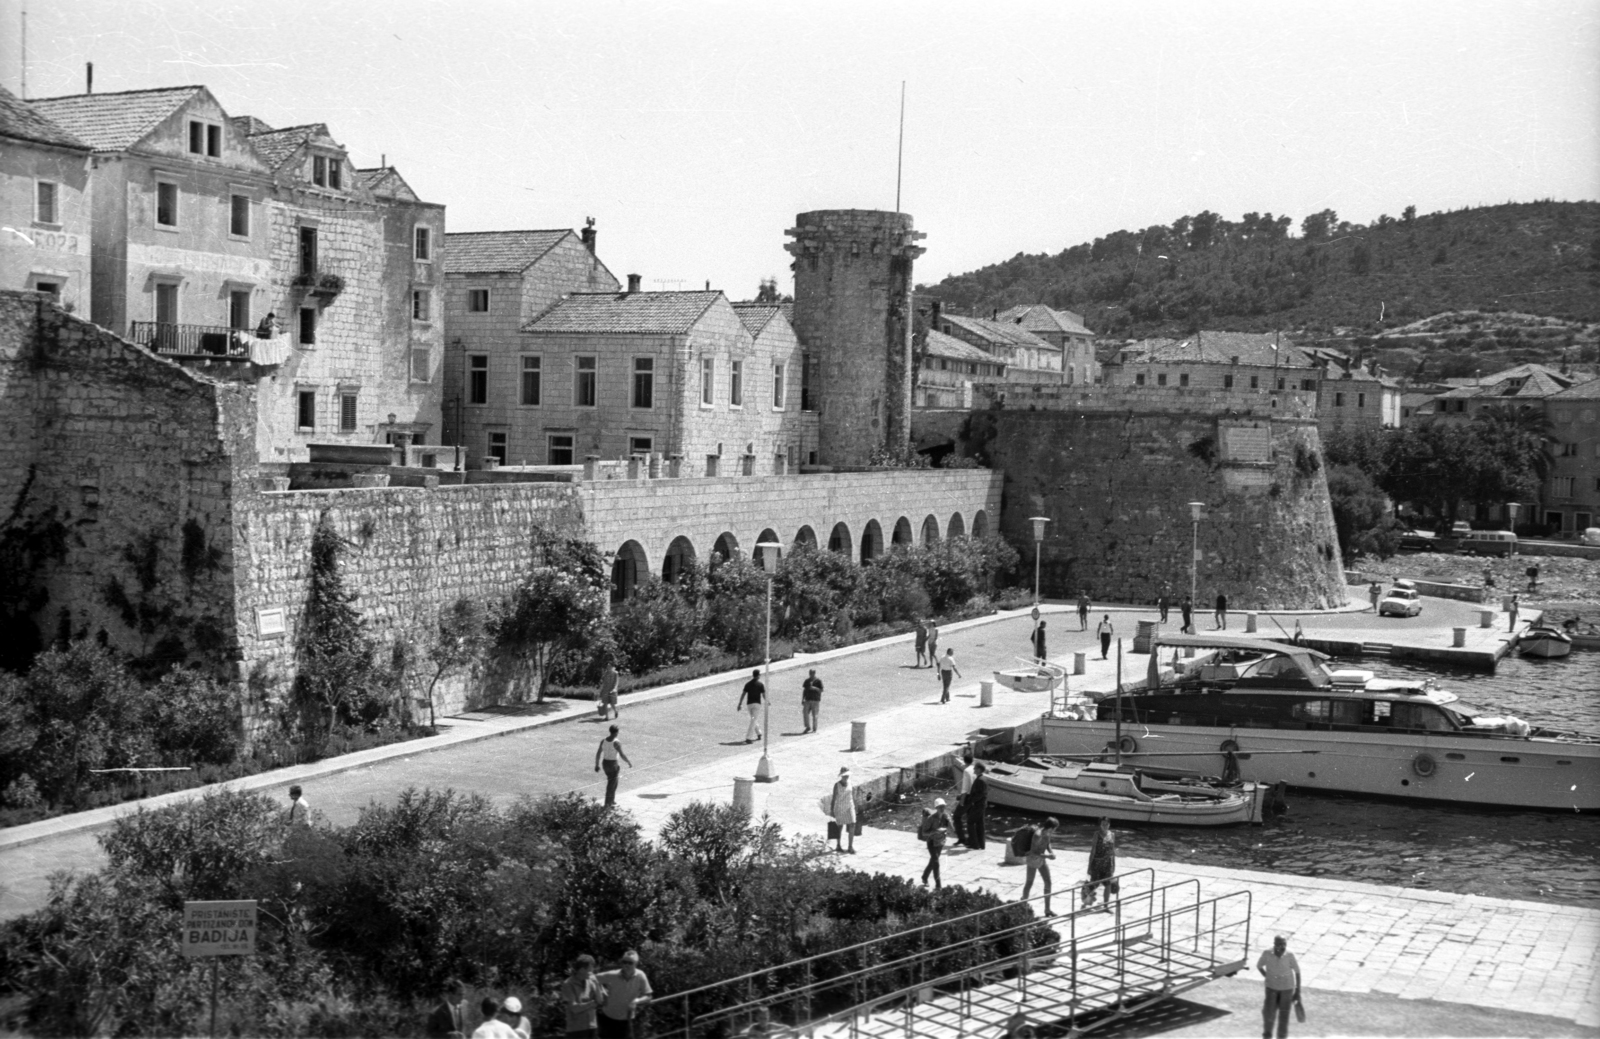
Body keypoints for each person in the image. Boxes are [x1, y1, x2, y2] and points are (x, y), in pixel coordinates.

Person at [595, 951, 652, 1039]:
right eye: (624, 962)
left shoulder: (640, 976)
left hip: (626, 1020)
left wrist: (636, 1001)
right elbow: (593, 979)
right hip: (607, 1018)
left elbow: (648, 996)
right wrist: (601, 994)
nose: (626, 965)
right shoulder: (612, 975)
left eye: (630, 963)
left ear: (636, 964)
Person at [1256, 935, 1302, 1039]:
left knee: (1284, 1017)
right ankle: (1267, 1036)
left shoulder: (1290, 954)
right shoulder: (1267, 953)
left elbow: (1297, 972)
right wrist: (1267, 977)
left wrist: (1297, 992)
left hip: (1287, 990)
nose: (1282, 947)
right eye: (1280, 944)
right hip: (1271, 989)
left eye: (1284, 944)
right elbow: (1259, 966)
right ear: (1274, 944)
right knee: (1268, 1015)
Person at [1019, 816, 1059, 916]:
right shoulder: (1038, 835)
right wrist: (1048, 856)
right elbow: (1033, 852)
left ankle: (1047, 909)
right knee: (1029, 883)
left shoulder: (1047, 833)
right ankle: (1023, 906)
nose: (1054, 831)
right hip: (1033, 860)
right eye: (1054, 829)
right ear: (1050, 828)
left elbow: (1047, 843)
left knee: (1048, 882)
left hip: (1041, 860)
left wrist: (1051, 852)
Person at [560, 954, 607, 1038]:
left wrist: (596, 984)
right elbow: (574, 1008)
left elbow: (600, 1001)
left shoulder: (592, 981)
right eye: (590, 969)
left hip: (592, 1027)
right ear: (582, 970)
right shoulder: (568, 984)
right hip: (576, 1030)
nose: (592, 972)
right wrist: (592, 1004)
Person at [594, 724, 634, 808]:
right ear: (616, 733)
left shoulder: (603, 741)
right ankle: (607, 804)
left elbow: (598, 753)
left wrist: (597, 764)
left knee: (614, 782)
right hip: (613, 764)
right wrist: (628, 762)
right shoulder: (616, 742)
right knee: (611, 784)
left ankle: (612, 800)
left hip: (605, 763)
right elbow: (622, 755)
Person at [1083, 817, 1116, 911]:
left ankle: (1106, 906)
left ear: (1109, 824)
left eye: (1106, 824)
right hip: (1097, 863)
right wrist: (1089, 865)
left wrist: (1114, 863)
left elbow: (1113, 851)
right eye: (1103, 824)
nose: (1105, 826)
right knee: (1095, 884)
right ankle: (1086, 902)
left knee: (1108, 884)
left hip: (1108, 863)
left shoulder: (1112, 835)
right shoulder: (1097, 834)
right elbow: (1093, 850)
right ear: (1100, 825)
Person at [919, 799, 951, 889]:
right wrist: (934, 831)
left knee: (932, 862)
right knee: (936, 862)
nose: (942, 808)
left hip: (940, 842)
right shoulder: (931, 818)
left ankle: (924, 877)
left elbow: (953, 830)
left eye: (943, 806)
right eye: (940, 807)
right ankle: (938, 885)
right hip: (932, 842)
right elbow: (924, 833)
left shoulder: (945, 816)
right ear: (936, 808)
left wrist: (949, 822)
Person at [830, 767, 857, 853]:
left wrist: (855, 806)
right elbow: (833, 798)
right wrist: (832, 810)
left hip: (849, 806)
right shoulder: (837, 785)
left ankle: (850, 846)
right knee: (840, 827)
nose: (846, 777)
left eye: (847, 775)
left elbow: (852, 795)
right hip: (840, 807)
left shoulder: (850, 783)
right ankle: (838, 845)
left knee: (852, 824)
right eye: (844, 776)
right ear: (841, 776)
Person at [965, 762, 989, 850]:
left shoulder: (980, 780)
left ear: (979, 769)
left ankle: (974, 843)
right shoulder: (984, 778)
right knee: (980, 824)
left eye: (975, 768)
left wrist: (971, 800)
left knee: (970, 822)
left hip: (978, 805)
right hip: (982, 805)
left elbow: (980, 794)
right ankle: (981, 844)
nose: (974, 770)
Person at [952, 753, 975, 845]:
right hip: (974, 797)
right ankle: (970, 839)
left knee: (956, 816)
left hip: (967, 797)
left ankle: (962, 838)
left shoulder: (966, 771)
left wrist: (962, 800)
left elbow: (965, 787)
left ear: (964, 761)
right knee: (969, 818)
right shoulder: (974, 769)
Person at [736, 669, 764, 743]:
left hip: (749, 704)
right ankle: (749, 738)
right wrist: (767, 701)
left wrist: (740, 703)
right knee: (753, 720)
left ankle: (759, 733)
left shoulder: (748, 684)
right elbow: (764, 695)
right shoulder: (760, 684)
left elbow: (743, 694)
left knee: (753, 719)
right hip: (757, 704)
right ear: (758, 675)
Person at [801, 668, 823, 733]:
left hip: (815, 700)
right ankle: (807, 727)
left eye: (812, 673)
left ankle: (814, 728)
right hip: (807, 699)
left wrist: (814, 688)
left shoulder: (818, 681)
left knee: (815, 715)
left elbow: (821, 690)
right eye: (810, 673)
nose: (810, 675)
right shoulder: (807, 681)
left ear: (814, 673)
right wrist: (802, 699)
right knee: (805, 713)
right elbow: (804, 690)